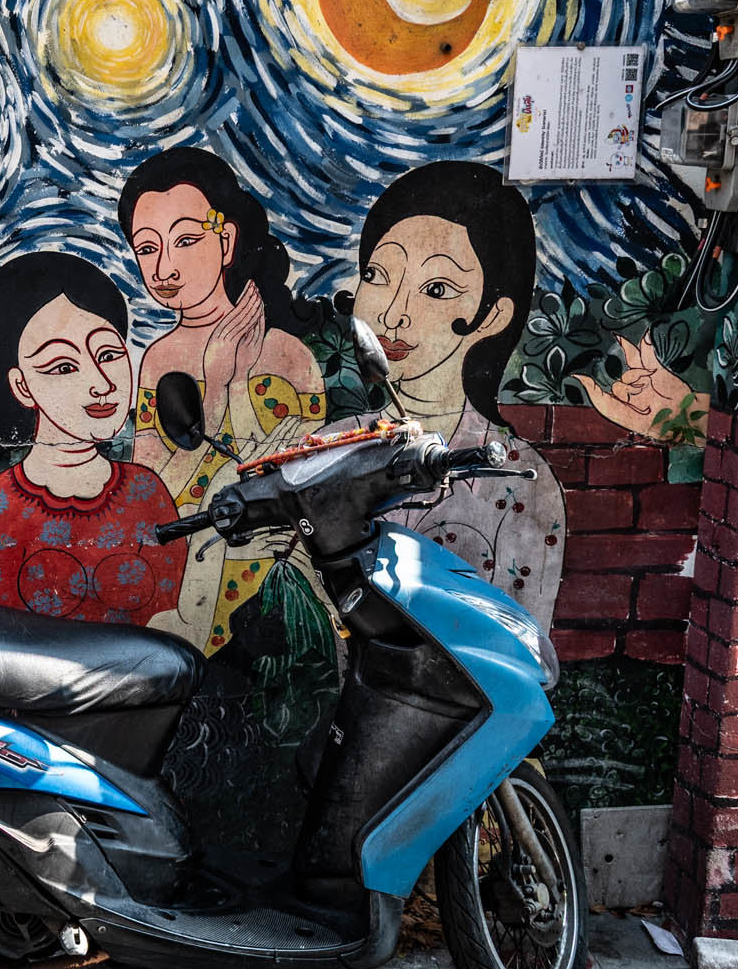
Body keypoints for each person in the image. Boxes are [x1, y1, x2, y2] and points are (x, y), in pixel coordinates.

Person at [118, 148, 325, 651]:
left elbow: (310, 478)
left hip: (280, 576)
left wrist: (236, 386)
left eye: (185, 241)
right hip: (191, 573)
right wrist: (215, 386)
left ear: (226, 240)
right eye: (147, 249)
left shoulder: (289, 355)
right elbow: (153, 494)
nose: (164, 267)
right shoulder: (158, 360)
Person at [347, 161, 564, 624]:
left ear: (492, 316)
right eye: (377, 275)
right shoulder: (331, 448)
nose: (392, 314)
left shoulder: (518, 478)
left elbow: (519, 641)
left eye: (436, 288)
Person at [0, 251, 222, 640]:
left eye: (108, 354)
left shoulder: (146, 492)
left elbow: (173, 623)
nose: (102, 383)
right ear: (21, 386)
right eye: (64, 366)